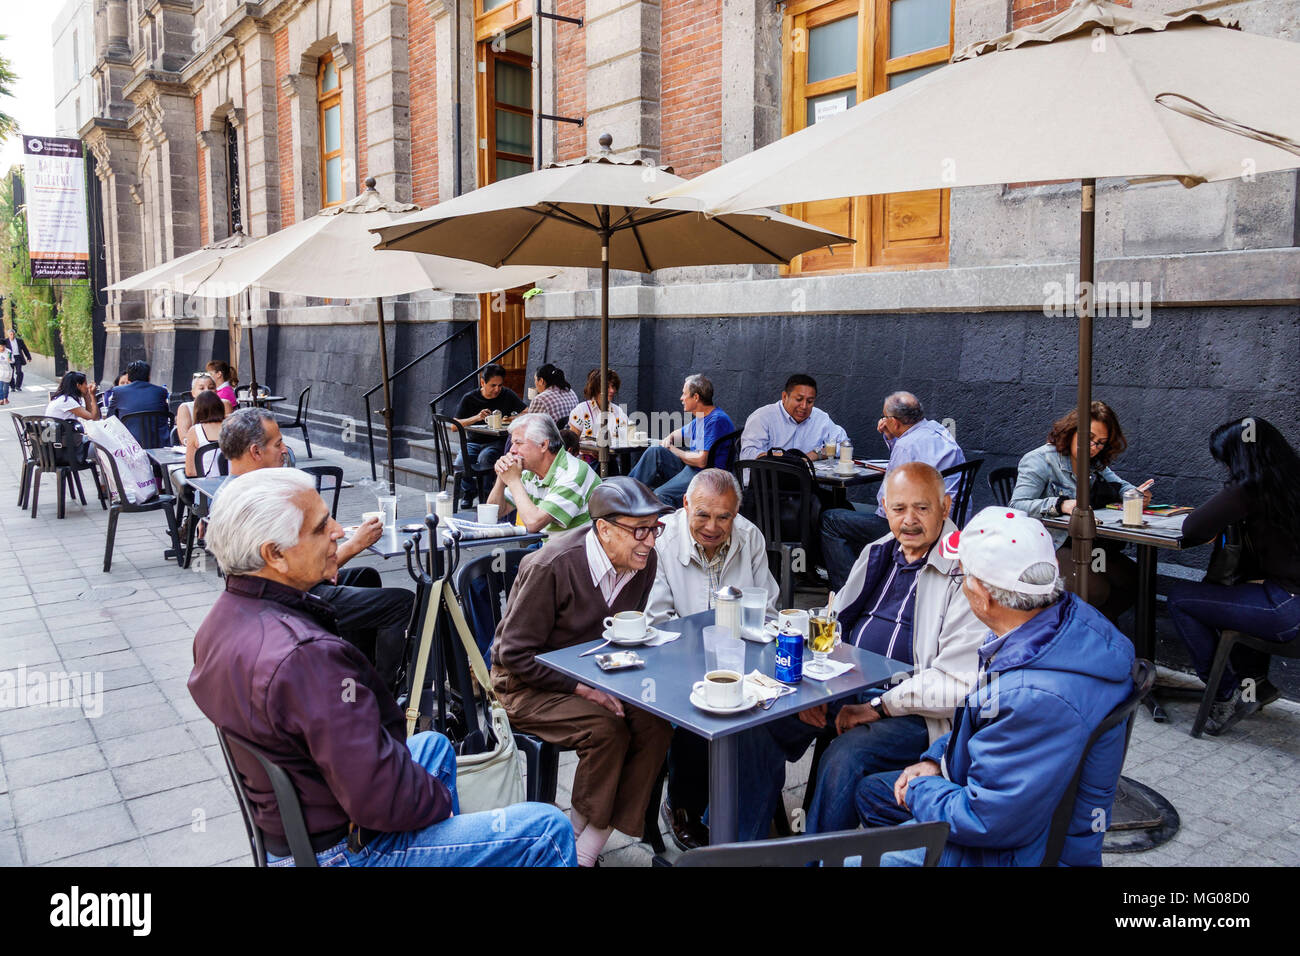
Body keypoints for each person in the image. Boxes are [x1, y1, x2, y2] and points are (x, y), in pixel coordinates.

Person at [189, 467, 575, 867]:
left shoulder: (220, 622)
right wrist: (438, 805)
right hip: (341, 851)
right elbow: (379, 798)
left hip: (297, 821)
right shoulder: (304, 656)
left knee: (435, 746)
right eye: (322, 527)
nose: (339, 531)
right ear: (275, 555)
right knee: (546, 830)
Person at [855, 506, 1136, 867]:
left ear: (982, 596)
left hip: (1009, 853)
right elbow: (982, 726)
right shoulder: (1061, 626)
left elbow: (984, 821)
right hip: (1017, 819)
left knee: (845, 860)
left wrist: (923, 788)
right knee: (874, 793)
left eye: (962, 575)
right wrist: (935, 761)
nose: (958, 580)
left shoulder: (1032, 694)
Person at [735, 463, 983, 842]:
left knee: (845, 757)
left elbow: (954, 685)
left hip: (916, 711)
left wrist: (877, 707)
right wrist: (813, 690)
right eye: (899, 509)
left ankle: (814, 860)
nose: (909, 520)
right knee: (758, 722)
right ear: (884, 507)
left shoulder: (963, 571)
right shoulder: (877, 552)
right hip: (846, 689)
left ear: (945, 507)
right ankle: (745, 847)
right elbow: (834, 628)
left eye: (922, 508)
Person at [491, 477, 675, 866]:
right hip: (524, 684)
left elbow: (623, 630)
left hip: (595, 672)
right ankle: (579, 847)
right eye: (640, 530)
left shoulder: (644, 561)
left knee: (658, 723)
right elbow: (514, 655)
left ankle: (585, 838)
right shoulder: (551, 566)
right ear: (604, 529)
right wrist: (582, 689)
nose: (650, 541)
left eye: (655, 528)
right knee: (606, 729)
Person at [218, 408, 412, 688]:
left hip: (283, 589)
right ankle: (385, 693)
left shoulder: (239, 488)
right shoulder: (256, 501)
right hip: (289, 600)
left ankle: (360, 674)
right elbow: (295, 574)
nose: (284, 450)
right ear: (255, 452)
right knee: (402, 603)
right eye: (278, 444)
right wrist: (351, 546)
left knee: (367, 576)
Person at [646, 468, 778, 849]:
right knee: (697, 707)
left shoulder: (749, 536)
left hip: (739, 654)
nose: (713, 526)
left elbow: (765, 605)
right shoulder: (661, 541)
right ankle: (682, 806)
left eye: (724, 516)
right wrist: (700, 654)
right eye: (702, 514)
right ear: (685, 504)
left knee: (769, 710)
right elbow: (658, 619)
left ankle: (744, 806)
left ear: (736, 513)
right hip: (673, 657)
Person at [1165, 417, 1300, 735]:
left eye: (1226, 461)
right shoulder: (1291, 477)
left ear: (1237, 458)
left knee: (1181, 599)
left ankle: (1223, 693)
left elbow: (1193, 529)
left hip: (1286, 607)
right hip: (1288, 598)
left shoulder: (1250, 487)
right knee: (1235, 593)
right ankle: (1258, 686)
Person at [1010, 401, 1150, 624]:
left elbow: (1121, 485)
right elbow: (1016, 506)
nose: (1093, 447)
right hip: (1052, 545)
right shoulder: (1039, 460)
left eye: (1100, 443)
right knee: (1096, 589)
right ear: (1072, 430)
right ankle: (1081, 634)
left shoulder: (1093, 463)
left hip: (1089, 544)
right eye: (1089, 438)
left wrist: (1135, 494)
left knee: (1136, 579)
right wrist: (1060, 504)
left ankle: (1098, 632)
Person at [821, 392, 966, 591]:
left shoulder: (907, 445)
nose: (882, 421)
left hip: (915, 526)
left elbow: (885, 504)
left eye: (885, 417)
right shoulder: (938, 430)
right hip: (951, 521)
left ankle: (850, 591)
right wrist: (891, 438)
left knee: (831, 520)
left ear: (895, 422)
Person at [628, 374, 735, 508]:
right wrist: (668, 439)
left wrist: (673, 449)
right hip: (692, 469)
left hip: (707, 476)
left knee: (660, 495)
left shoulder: (716, 421)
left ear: (696, 397)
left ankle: (671, 527)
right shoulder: (701, 418)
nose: (681, 398)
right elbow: (677, 434)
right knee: (655, 451)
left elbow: (701, 461)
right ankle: (625, 494)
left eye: (684, 394)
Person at [487, 413, 601, 534]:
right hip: (550, 545)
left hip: (578, 550)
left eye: (518, 443)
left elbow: (533, 523)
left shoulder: (573, 473)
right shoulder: (529, 473)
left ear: (543, 445)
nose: (512, 450)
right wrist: (501, 477)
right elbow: (493, 514)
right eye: (512, 443)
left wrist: (513, 481)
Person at [453, 362, 527, 508]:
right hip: (473, 442)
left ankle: (488, 494)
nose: (497, 389)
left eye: (500, 385)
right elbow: (454, 426)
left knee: (486, 458)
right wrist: (476, 418)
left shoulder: (507, 394)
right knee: (462, 461)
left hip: (496, 441)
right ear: (482, 382)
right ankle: (469, 492)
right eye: (493, 385)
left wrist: (511, 418)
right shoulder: (470, 398)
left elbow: (526, 411)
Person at [738, 373, 848, 461]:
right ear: (785, 396)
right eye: (799, 399)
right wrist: (786, 459)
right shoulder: (762, 417)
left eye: (810, 401)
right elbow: (748, 453)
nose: (804, 406)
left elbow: (844, 445)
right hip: (765, 484)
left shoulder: (820, 418)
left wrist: (817, 453)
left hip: (805, 484)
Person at [109, 360, 171, 447]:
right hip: (159, 444)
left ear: (129, 377)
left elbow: (111, 418)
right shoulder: (161, 391)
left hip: (129, 446)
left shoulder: (118, 391)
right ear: (149, 376)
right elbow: (164, 415)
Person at [568, 368, 629, 455]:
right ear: (596, 388)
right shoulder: (581, 410)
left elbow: (626, 438)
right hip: (585, 462)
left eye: (613, 386)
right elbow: (572, 444)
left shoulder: (618, 411)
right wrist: (591, 452)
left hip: (610, 461)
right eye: (607, 387)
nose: (612, 390)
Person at [184, 390, 227, 478]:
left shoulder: (195, 431)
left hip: (206, 486)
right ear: (220, 407)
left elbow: (190, 472)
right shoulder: (233, 427)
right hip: (230, 484)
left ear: (197, 410)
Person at [174, 373, 217, 441]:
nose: (207, 391)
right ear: (193, 393)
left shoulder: (224, 404)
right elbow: (184, 439)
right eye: (201, 388)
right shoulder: (185, 408)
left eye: (211, 388)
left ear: (216, 391)